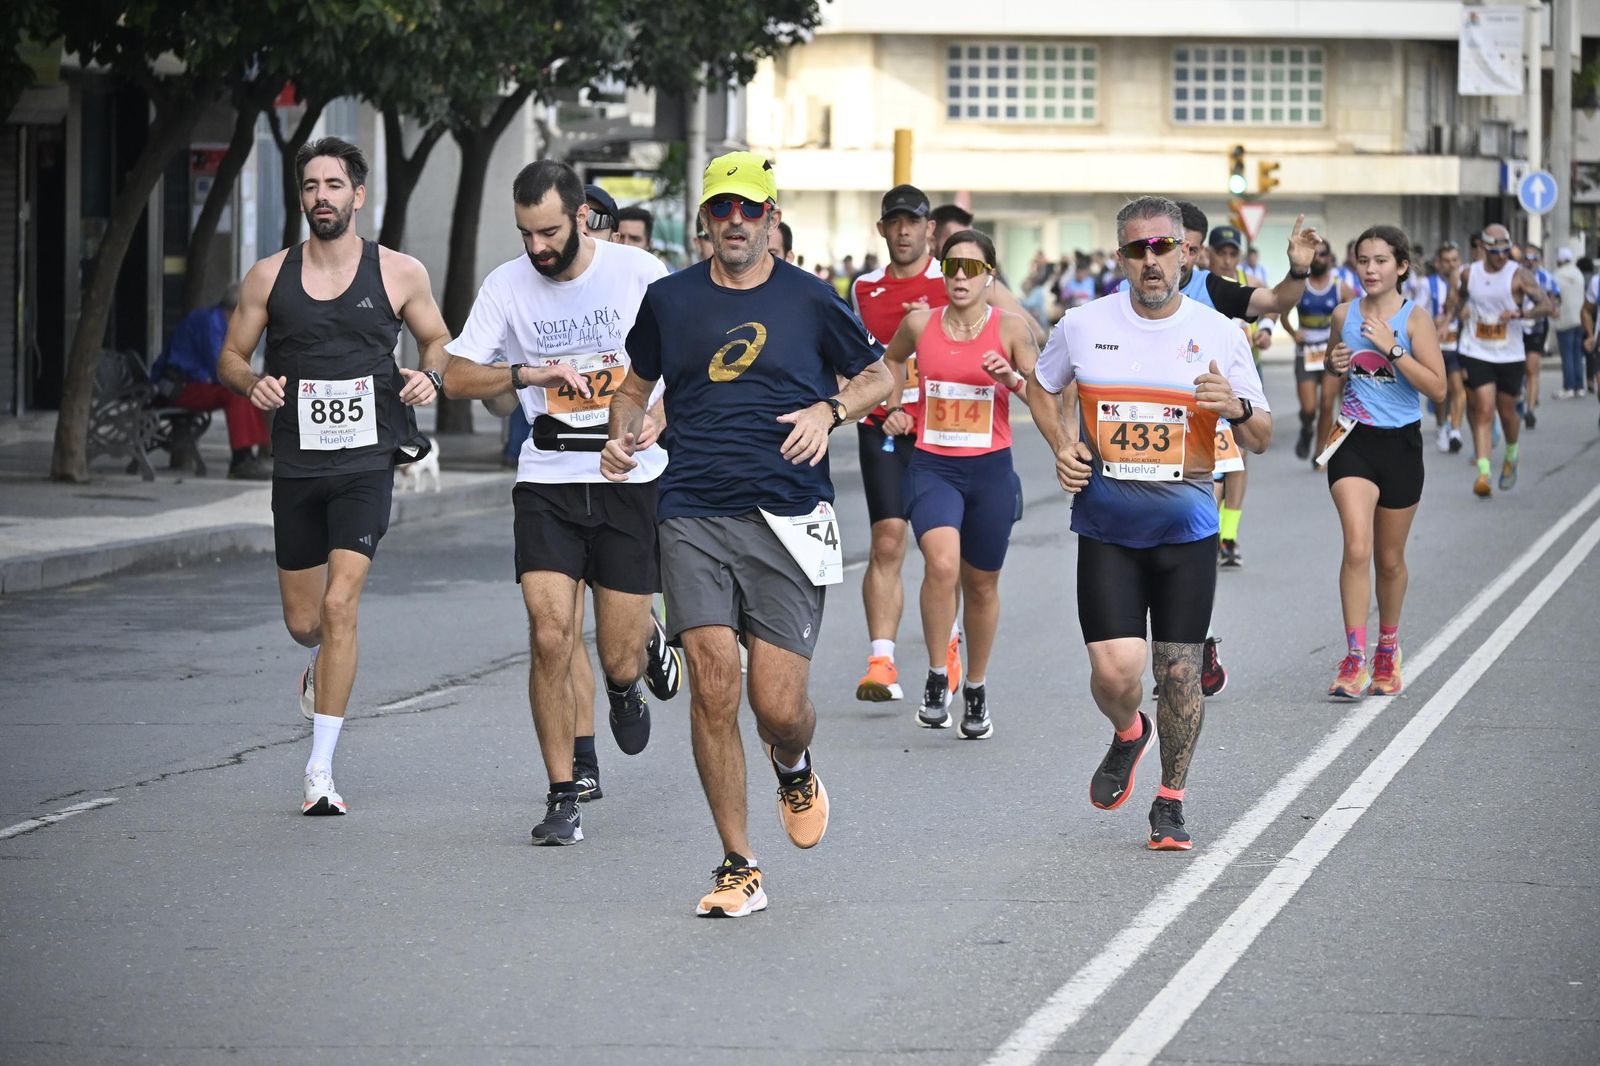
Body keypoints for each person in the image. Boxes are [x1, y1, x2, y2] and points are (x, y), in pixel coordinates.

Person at [601, 151, 892, 916]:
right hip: (692, 511)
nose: (735, 222)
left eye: (749, 209)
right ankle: (738, 863)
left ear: (772, 217)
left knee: (777, 705)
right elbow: (633, 390)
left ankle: (792, 764)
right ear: (704, 220)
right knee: (712, 684)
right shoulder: (669, 301)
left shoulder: (810, 299)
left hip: (789, 516)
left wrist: (829, 412)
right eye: (722, 210)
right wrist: (622, 434)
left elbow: (880, 376)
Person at [442, 160, 680, 846]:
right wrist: (527, 372)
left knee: (618, 651)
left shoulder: (638, 274)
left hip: (629, 482)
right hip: (547, 478)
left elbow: (684, 365)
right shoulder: (507, 285)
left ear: (581, 217)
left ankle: (626, 682)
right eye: (526, 234)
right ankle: (561, 792)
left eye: (549, 231)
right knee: (549, 634)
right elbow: (455, 374)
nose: (538, 247)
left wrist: (655, 421)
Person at [1027, 195, 1272, 851]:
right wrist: (1062, 445)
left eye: (1162, 247)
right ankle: (1129, 731)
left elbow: (1265, 434)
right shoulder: (1082, 324)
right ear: (1121, 259)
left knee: (1180, 673)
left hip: (1187, 530)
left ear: (1184, 253)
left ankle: (1170, 801)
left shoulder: (1220, 332)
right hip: (1107, 529)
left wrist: (1238, 405)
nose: (1151, 261)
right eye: (1137, 250)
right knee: (1116, 675)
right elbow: (1040, 385)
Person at [216, 137, 448, 815]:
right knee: (306, 622)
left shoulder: (399, 272)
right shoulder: (268, 276)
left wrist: (427, 375)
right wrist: (251, 383)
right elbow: (231, 354)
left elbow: (437, 337)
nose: (323, 195)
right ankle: (318, 663)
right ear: (302, 196)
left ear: (358, 195)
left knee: (342, 606)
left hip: (365, 462)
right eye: (312, 185)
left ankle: (320, 771)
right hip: (296, 464)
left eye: (334, 184)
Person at [849, 185, 1042, 706]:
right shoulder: (863, 288)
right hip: (897, 431)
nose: (905, 231)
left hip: (971, 445)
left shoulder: (965, 273)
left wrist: (1021, 374)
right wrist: (882, 407)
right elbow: (867, 360)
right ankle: (884, 660)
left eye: (914, 222)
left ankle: (954, 648)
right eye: (895, 222)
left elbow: (1033, 341)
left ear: (930, 230)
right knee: (897, 543)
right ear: (883, 229)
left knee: (963, 565)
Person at [1319, 226, 1446, 699]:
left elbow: (1437, 389)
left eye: (1380, 261)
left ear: (1401, 267)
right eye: (1363, 260)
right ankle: (1353, 659)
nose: (1370, 269)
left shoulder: (1416, 320)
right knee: (1357, 547)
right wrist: (1334, 364)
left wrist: (1393, 347)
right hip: (1353, 440)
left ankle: (1387, 650)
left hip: (1401, 446)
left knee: (1389, 560)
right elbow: (1336, 374)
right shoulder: (1342, 314)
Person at [1447, 224, 1557, 497]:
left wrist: (1521, 315)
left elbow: (1548, 307)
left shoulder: (1519, 275)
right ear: (1483, 248)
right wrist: (1456, 315)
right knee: (1483, 409)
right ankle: (1483, 473)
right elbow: (1458, 300)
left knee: (1507, 413)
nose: (1502, 256)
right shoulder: (1469, 273)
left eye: (1506, 250)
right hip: (1476, 349)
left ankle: (1511, 454)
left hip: (1509, 353)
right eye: (1496, 251)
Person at [151, 283, 272, 478]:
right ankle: (241, 460)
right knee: (238, 394)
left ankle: (249, 455)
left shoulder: (220, 322)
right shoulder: (209, 322)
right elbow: (221, 369)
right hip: (177, 387)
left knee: (251, 390)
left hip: (193, 384)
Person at [1286, 240, 1350, 462]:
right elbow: (1282, 311)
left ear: (1329, 258)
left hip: (1330, 354)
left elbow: (1354, 314)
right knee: (1309, 408)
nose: (1318, 259)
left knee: (1326, 404)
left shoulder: (1340, 286)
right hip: (1306, 354)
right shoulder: (1301, 285)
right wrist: (1293, 333)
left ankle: (1320, 451)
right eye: (1314, 255)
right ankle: (1306, 428)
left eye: (1322, 254)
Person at [1424, 242, 1466, 453]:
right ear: (1438, 263)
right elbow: (1415, 314)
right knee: (1441, 393)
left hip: (1459, 344)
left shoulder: (1465, 283)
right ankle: (1442, 425)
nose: (1451, 265)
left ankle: (1456, 430)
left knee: (1458, 388)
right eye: (1446, 261)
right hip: (1435, 347)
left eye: (1455, 260)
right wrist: (1434, 320)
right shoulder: (1427, 284)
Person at [1519, 245, 1561, 426]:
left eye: (1534, 258)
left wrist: (1552, 308)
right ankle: (1521, 396)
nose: (1530, 262)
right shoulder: (1515, 275)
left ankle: (1530, 410)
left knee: (1531, 368)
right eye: (1526, 258)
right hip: (1516, 328)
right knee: (1518, 368)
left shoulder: (1547, 278)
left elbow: (1556, 299)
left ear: (1540, 259)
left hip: (1536, 327)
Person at [1553, 248, 1587, 398]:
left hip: (1565, 319)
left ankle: (1568, 387)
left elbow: (1554, 297)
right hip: (1580, 319)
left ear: (1559, 261)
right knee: (1577, 354)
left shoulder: (1557, 275)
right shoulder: (1578, 274)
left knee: (1567, 354)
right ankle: (1579, 387)